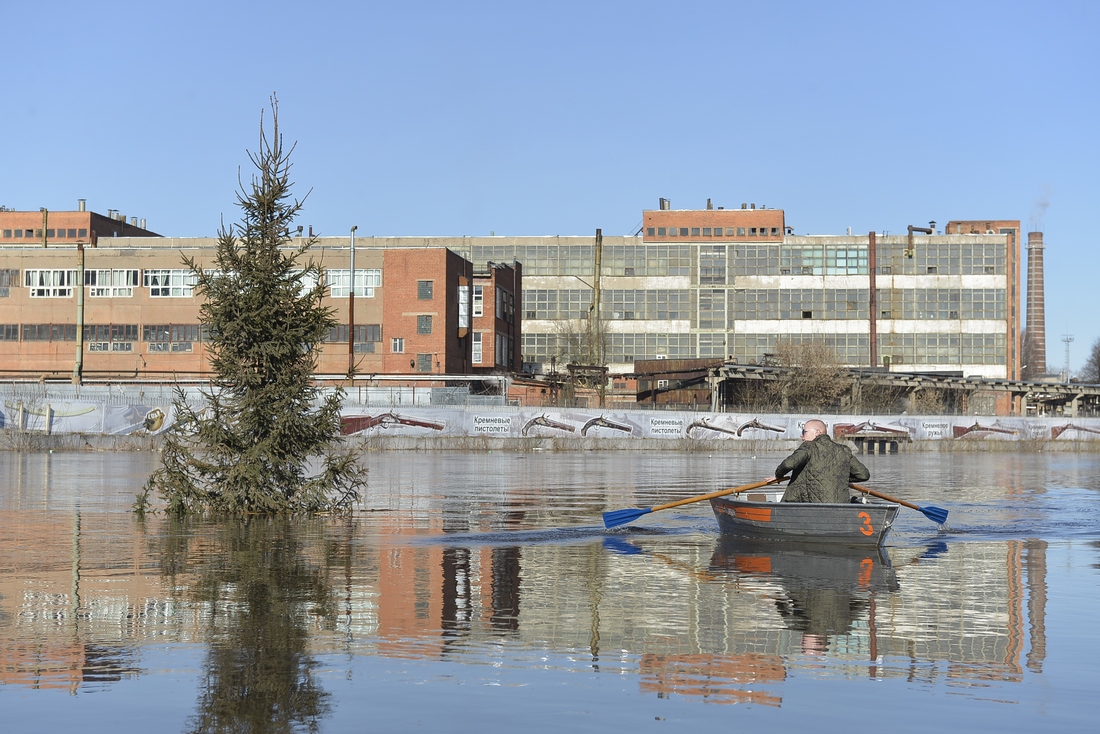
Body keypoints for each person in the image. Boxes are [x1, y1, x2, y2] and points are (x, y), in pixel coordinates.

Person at [776, 419, 869, 503]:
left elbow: (788, 464)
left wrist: (778, 475)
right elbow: (863, 475)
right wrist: (838, 477)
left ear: (817, 432)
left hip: (813, 506)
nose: (801, 435)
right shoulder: (843, 450)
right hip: (841, 506)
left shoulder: (809, 446)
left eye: (804, 431)